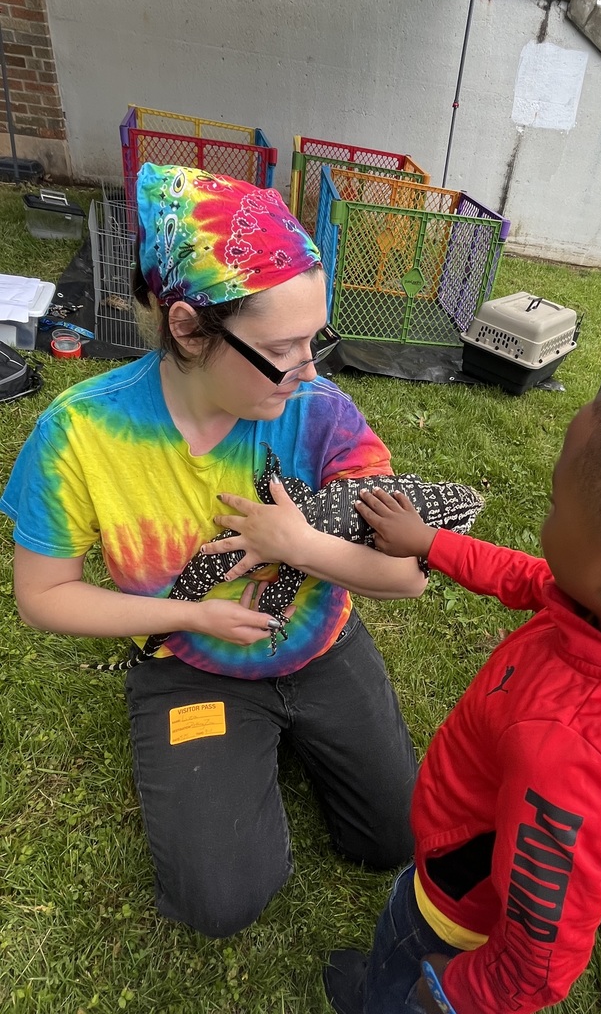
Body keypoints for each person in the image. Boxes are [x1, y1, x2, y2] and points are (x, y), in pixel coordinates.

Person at [0, 163, 425, 938]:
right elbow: (44, 594)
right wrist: (189, 614)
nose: (306, 373)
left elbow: (405, 577)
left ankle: (299, 731)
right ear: (189, 328)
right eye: (281, 348)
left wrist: (295, 544)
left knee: (398, 838)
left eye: (315, 341)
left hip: (323, 646)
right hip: (190, 666)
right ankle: (243, 739)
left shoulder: (323, 413)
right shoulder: (80, 433)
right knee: (220, 901)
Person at [289, 349, 601, 1014]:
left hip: (453, 911)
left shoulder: (572, 764)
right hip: (456, 849)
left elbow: (539, 958)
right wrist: (429, 542)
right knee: (394, 947)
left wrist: (447, 996)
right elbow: (525, 578)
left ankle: (383, 993)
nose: (542, 527)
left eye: (553, 509)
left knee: (400, 964)